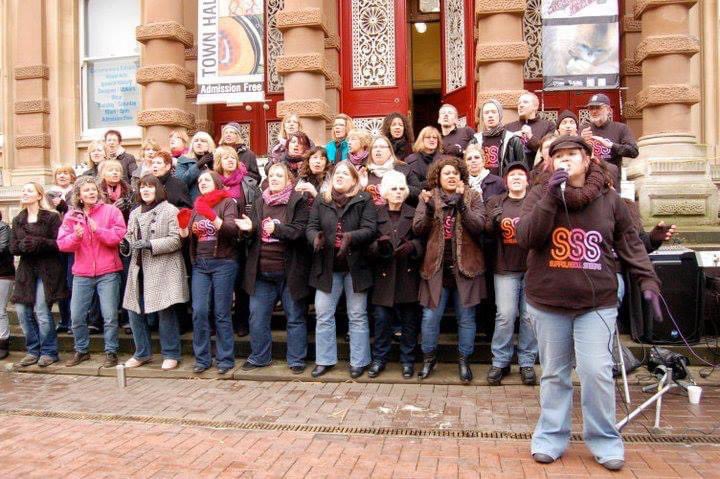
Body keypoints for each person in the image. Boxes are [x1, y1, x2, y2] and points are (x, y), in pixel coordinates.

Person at [516, 136, 661, 471]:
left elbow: (630, 244)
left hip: (596, 302)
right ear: (550, 163)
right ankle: (550, 437)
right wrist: (551, 197)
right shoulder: (540, 194)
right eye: (559, 156)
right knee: (554, 373)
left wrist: (648, 280)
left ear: (588, 159)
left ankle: (605, 440)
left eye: (572, 155)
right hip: (548, 302)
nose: (566, 161)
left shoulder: (610, 200)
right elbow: (527, 238)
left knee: (596, 372)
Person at [413, 156, 486, 383]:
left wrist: (462, 205)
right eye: (447, 173)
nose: (451, 176)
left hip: (466, 268)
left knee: (466, 319)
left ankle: (464, 361)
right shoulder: (428, 197)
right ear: (438, 177)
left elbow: (479, 227)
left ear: (461, 176)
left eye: (455, 173)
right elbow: (418, 230)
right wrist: (427, 209)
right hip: (436, 269)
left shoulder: (473, 196)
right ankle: (428, 359)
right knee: (430, 318)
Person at [236, 163, 311, 373]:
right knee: (257, 317)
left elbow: (300, 231)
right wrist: (248, 229)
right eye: (271, 175)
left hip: (290, 272)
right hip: (261, 273)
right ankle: (260, 357)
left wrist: (276, 229)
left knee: (295, 317)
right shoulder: (260, 202)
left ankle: (296, 359)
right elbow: (251, 232)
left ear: (289, 179)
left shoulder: (298, 201)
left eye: (279, 175)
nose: (275, 178)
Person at [306, 161, 377, 378]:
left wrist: (350, 237)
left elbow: (370, 229)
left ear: (354, 180)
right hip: (327, 267)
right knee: (323, 313)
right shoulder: (322, 199)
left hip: (356, 267)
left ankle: (359, 361)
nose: (340, 176)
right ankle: (324, 360)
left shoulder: (364, 200)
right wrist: (314, 238)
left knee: (357, 314)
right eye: (337, 173)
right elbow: (311, 227)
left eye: (345, 173)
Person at [58, 176, 127, 368]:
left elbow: (120, 235)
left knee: (110, 315)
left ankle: (111, 351)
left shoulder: (111, 211)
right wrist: (76, 237)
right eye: (86, 190)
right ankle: (82, 350)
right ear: (79, 195)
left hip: (108, 272)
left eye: (93, 189)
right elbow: (62, 244)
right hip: (82, 273)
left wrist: (98, 231)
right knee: (77, 316)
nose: (91, 193)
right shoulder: (71, 216)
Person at [122, 175, 188, 371]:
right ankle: (142, 353)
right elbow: (129, 236)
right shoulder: (134, 213)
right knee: (134, 311)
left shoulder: (169, 210)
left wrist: (151, 244)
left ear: (158, 189)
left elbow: (176, 240)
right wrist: (124, 244)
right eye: (142, 187)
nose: (145, 190)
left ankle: (171, 353)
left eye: (150, 187)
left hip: (163, 268)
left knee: (165, 311)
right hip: (138, 268)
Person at [178, 170, 239, 374]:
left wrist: (211, 214)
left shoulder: (228, 202)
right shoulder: (197, 205)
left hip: (223, 262)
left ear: (216, 182)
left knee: (221, 312)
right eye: (200, 180)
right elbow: (188, 239)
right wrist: (183, 229)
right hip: (201, 265)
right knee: (199, 311)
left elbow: (232, 231)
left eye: (207, 180)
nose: (202, 183)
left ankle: (225, 359)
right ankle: (202, 359)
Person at [484, 162, 537, 386]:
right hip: (504, 267)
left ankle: (526, 362)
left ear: (527, 180)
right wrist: (493, 224)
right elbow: (485, 230)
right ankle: (500, 361)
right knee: (505, 315)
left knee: (528, 317)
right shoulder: (497, 202)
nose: (516, 178)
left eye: (520, 175)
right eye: (512, 175)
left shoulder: (535, 202)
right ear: (506, 181)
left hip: (532, 268)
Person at [367, 171, 423, 379]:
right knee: (381, 320)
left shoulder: (414, 212)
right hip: (384, 274)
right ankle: (379, 359)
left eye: (401, 189)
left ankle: (407, 360)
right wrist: (377, 247)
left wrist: (413, 246)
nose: (398, 192)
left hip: (407, 275)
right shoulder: (375, 213)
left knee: (409, 321)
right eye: (394, 189)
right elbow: (367, 243)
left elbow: (424, 239)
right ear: (385, 193)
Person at [9, 183, 66, 367]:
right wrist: (23, 246)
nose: (25, 193)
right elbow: (13, 246)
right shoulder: (18, 219)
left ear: (39, 195)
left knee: (41, 310)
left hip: (47, 269)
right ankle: (33, 350)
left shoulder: (51, 217)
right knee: (22, 311)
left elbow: (59, 243)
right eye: (23, 190)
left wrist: (39, 242)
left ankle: (49, 351)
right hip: (26, 270)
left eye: (29, 191)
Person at [214, 145, 261, 338]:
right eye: (226, 158)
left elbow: (257, 207)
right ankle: (222, 324)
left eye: (233, 157)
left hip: (243, 240)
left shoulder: (248, 183)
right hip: (220, 241)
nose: (230, 160)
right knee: (222, 285)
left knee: (242, 282)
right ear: (219, 162)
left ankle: (242, 322)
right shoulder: (214, 183)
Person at [580, 93, 638, 192]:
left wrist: (611, 145)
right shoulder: (583, 130)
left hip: (612, 184)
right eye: (591, 108)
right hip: (587, 184)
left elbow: (633, 151)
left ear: (608, 110)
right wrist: (580, 140)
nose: (594, 111)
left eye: (598, 107)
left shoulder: (620, 128)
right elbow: (573, 155)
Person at [47, 166, 76, 334]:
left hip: (72, 241)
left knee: (72, 282)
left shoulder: (76, 191)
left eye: (65, 173)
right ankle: (64, 320)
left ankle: (73, 320)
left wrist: (65, 207)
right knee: (60, 282)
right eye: (59, 174)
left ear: (72, 176)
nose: (62, 176)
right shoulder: (48, 195)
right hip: (55, 243)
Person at [471, 100, 525, 176]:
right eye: (486, 113)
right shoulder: (475, 141)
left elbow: (522, 168)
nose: (490, 115)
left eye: (493, 112)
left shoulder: (512, 140)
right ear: (483, 117)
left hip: (504, 186)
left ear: (500, 115)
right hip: (481, 186)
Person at [362, 136, 420, 206]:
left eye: (382, 147)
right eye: (375, 147)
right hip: (370, 215)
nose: (378, 150)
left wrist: (401, 187)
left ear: (390, 151)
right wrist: (360, 187)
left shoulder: (404, 168)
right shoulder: (364, 171)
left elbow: (418, 194)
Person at [506, 92, 556, 165]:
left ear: (535, 107)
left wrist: (531, 137)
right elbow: (503, 153)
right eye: (519, 103)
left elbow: (548, 151)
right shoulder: (509, 127)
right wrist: (511, 137)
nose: (521, 105)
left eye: (525, 102)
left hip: (538, 172)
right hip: (516, 172)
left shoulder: (548, 126)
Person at [175, 131, 216, 202]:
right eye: (196, 141)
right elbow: (180, 183)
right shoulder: (183, 159)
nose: (199, 143)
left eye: (203, 141)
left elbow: (221, 182)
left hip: (214, 202)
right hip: (193, 203)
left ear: (209, 144)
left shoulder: (216, 159)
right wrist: (197, 165)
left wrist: (212, 167)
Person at [0, 211, 13, 360]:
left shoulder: (3, 228)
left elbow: (2, 248)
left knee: (0, 310)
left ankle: (3, 342)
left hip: (3, 274)